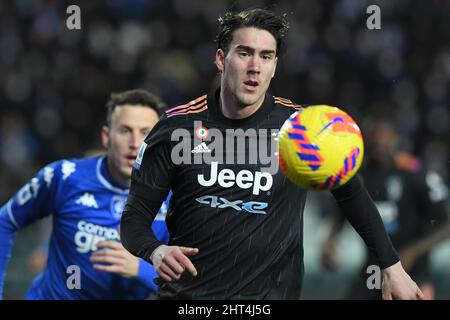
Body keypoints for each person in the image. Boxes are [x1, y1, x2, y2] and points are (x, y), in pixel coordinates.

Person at [120, 8, 423, 300]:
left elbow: (352, 195)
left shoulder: (302, 128)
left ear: (275, 65)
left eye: (266, 56)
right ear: (221, 59)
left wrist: (391, 265)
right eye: (244, 53)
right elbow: (134, 219)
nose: (255, 66)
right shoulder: (176, 128)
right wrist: (155, 251)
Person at [0, 89, 170, 299]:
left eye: (146, 132)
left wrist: (141, 270)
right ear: (106, 137)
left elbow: (197, 285)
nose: (135, 143)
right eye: (125, 131)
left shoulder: (176, 199)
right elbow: (5, 221)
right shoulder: (65, 177)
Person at [320, 119, 449, 299]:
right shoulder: (358, 175)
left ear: (395, 138)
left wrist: (414, 251)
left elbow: (446, 224)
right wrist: (330, 241)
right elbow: (343, 212)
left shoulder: (414, 173)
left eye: (384, 135)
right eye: (374, 135)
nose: (379, 141)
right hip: (374, 269)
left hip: (413, 271)